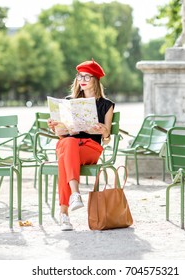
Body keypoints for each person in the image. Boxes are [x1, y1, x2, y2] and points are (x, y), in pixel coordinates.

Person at [47, 59, 114, 231]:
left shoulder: (106, 105)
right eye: (79, 76)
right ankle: (75, 194)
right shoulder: (68, 101)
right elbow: (60, 134)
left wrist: (103, 130)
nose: (82, 79)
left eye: (87, 76)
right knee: (67, 143)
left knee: (65, 156)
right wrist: (56, 126)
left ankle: (64, 214)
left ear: (96, 80)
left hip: (90, 148)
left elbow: (107, 136)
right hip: (69, 145)